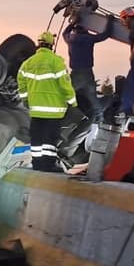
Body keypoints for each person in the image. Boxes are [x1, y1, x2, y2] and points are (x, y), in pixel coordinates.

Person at [17, 31, 77, 172]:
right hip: (53, 111)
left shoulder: (28, 63)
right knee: (49, 140)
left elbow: (21, 83)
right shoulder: (56, 61)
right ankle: (48, 165)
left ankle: (37, 164)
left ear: (39, 45)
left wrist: (25, 99)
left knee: (37, 139)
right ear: (51, 45)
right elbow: (65, 84)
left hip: (36, 111)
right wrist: (72, 102)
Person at [62, 19, 111, 123]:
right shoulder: (89, 38)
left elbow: (64, 33)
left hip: (75, 74)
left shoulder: (71, 38)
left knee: (68, 96)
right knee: (92, 97)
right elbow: (105, 35)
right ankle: (99, 118)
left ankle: (63, 117)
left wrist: (73, 22)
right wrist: (109, 21)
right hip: (88, 73)